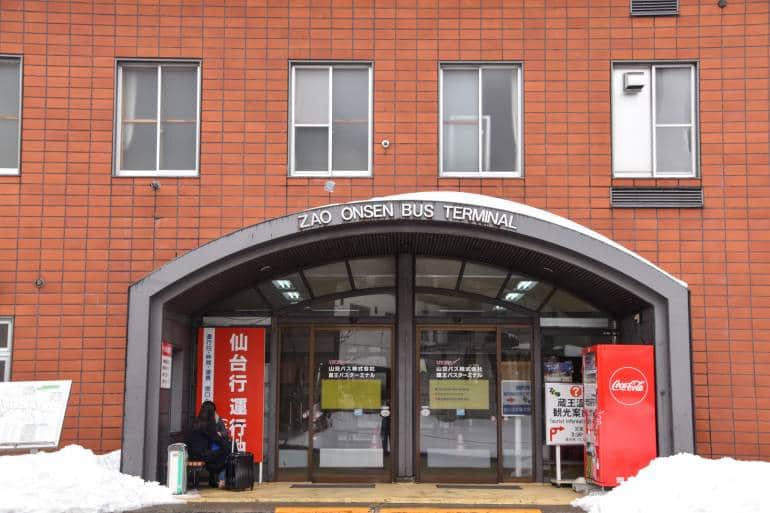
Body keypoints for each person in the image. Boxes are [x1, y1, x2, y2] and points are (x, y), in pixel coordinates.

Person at [185, 401, 231, 488]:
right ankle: (215, 472)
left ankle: (213, 474)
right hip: (201, 455)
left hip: (191, 454)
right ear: (212, 412)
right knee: (226, 449)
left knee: (217, 451)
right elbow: (218, 441)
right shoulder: (209, 425)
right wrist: (226, 444)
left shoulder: (195, 422)